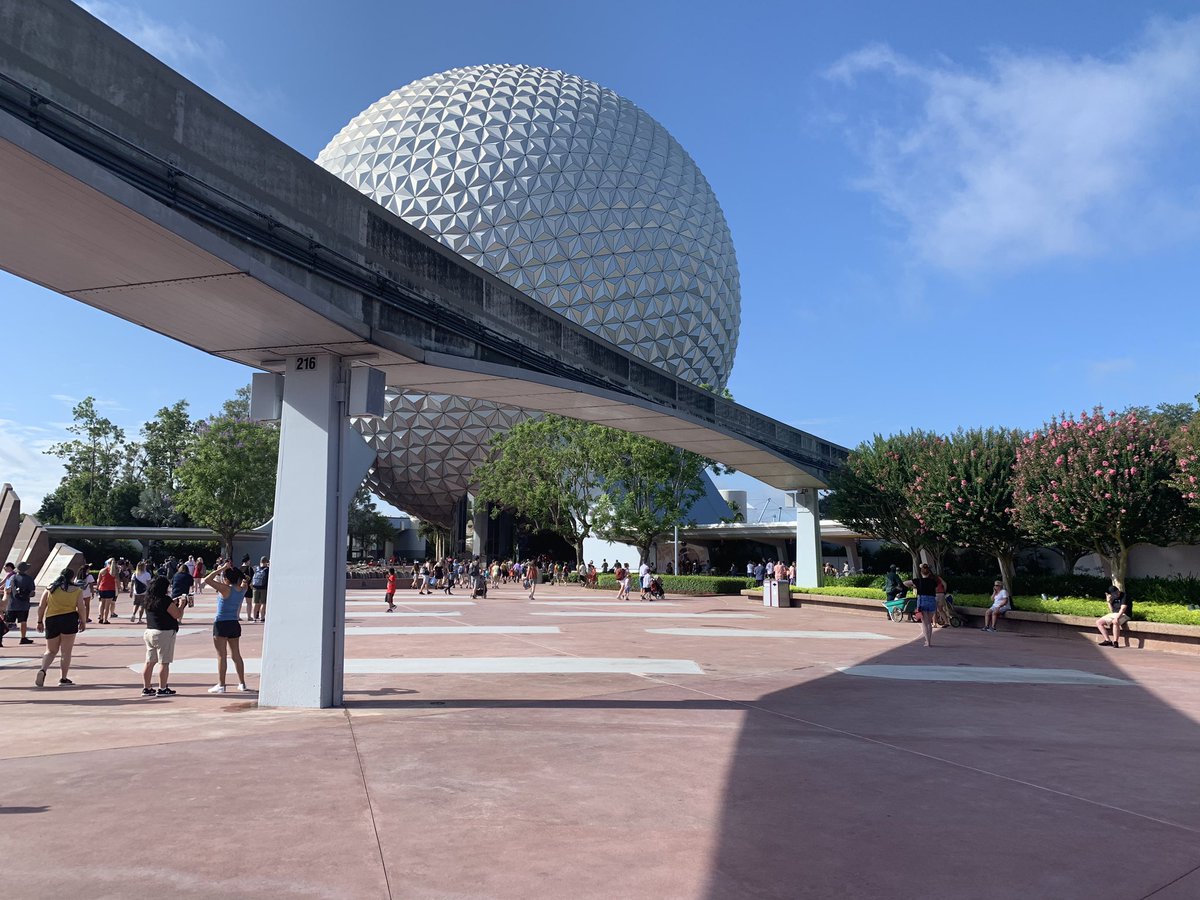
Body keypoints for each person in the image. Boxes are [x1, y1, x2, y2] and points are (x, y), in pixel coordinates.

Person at [202, 561, 253, 693]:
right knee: (236, 654)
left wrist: (222, 568)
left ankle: (221, 685)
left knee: (221, 655)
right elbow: (245, 580)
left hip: (221, 623)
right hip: (234, 624)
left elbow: (207, 579)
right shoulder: (242, 589)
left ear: (226, 578)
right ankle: (242, 683)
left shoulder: (225, 589)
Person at [34, 567, 86, 687]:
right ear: (72, 577)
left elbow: (41, 606)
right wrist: (83, 621)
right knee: (66, 652)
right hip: (69, 619)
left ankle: (43, 669)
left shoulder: (50, 588)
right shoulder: (77, 590)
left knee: (50, 650)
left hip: (52, 620)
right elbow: (81, 607)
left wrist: (39, 621)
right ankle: (63, 678)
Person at [141, 575, 185, 696]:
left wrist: (173, 603)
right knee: (164, 662)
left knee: (149, 662)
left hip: (150, 631)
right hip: (164, 633)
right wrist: (181, 605)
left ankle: (147, 688)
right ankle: (162, 688)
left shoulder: (148, 599)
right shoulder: (165, 600)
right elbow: (177, 614)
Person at [903, 562, 940, 648]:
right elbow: (936, 588)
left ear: (921, 572)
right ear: (929, 572)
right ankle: (929, 641)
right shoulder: (933, 581)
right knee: (929, 622)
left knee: (924, 623)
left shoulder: (918, 581)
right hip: (931, 600)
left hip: (922, 601)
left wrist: (914, 586)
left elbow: (905, 583)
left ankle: (927, 642)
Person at [4, 561, 37, 645]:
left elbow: (7, 590)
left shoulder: (10, 578)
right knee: (23, 622)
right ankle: (23, 638)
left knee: (6, 622)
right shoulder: (29, 579)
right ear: (25, 569)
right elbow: (32, 593)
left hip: (11, 604)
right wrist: (26, 595)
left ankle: (1, 636)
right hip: (24, 605)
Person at [95, 558, 119, 624]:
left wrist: (97, 588)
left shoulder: (102, 570)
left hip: (102, 589)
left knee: (102, 604)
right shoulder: (114, 572)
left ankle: (101, 618)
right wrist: (119, 587)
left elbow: (98, 580)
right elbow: (117, 580)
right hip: (110, 589)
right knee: (107, 605)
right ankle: (105, 619)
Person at [250, 556, 270, 621]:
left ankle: (254, 617)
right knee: (263, 603)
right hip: (264, 588)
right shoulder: (267, 570)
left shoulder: (256, 568)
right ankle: (262, 617)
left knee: (255, 603)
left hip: (255, 587)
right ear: (266, 562)